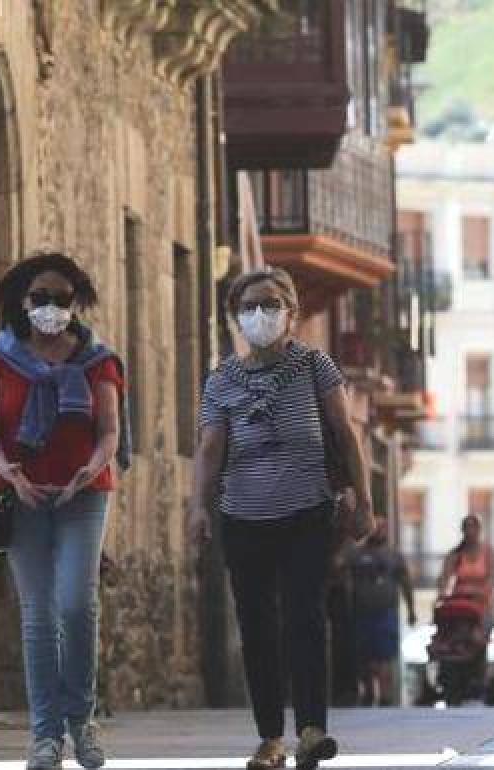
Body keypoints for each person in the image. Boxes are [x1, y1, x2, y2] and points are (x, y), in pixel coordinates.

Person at [189, 267, 373, 770]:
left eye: (270, 304)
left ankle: (312, 730)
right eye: (249, 307)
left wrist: (364, 499)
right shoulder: (222, 379)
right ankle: (270, 739)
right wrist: (198, 508)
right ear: (235, 317)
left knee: (305, 618)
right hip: (242, 518)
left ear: (291, 312)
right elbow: (209, 448)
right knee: (257, 627)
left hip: (306, 514)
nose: (260, 315)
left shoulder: (316, 366)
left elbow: (343, 432)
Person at [0, 252, 129, 770]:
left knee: (78, 606)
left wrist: (86, 472)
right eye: (40, 297)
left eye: (61, 298)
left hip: (83, 493)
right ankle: (45, 736)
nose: (51, 306)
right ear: (22, 301)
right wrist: (11, 475)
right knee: (38, 615)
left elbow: (110, 432)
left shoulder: (98, 360)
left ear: (76, 303)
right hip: (21, 494)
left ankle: (83, 721)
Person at [347, 514, 417, 707]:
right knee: (365, 659)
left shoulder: (395, 556)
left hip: (386, 614)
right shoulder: (355, 554)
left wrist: (411, 610)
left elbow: (406, 583)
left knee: (385, 658)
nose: (379, 530)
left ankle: (386, 697)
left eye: (383, 527)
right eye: (375, 526)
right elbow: (341, 574)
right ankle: (368, 693)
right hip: (361, 614)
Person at [437, 514, 494, 637]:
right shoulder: (455, 554)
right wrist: (442, 592)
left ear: (479, 530)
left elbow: (491, 578)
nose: (470, 532)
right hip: (460, 598)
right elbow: (444, 576)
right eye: (467, 528)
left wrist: (484, 592)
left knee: (489, 620)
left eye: (473, 528)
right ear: (462, 531)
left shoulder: (488, 552)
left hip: (482, 600)